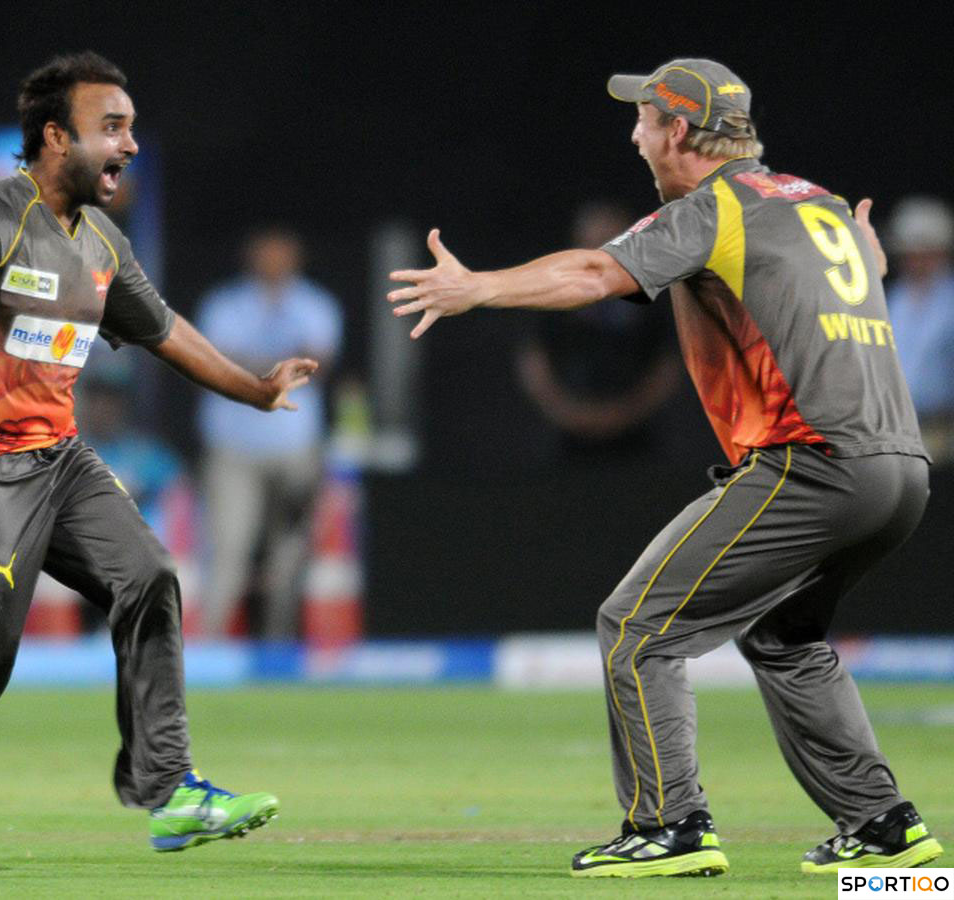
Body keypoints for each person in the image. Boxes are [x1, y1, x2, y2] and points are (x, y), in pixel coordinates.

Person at [388, 58, 942, 878]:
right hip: (903, 471)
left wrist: (478, 288)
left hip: (814, 464)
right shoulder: (814, 201)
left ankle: (670, 825)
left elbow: (594, 271)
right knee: (784, 635)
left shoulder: (712, 206)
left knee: (638, 624)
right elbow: (857, 282)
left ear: (678, 132)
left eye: (643, 118)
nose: (634, 132)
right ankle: (885, 835)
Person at [0, 51, 317, 868]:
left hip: (54, 457)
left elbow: (161, 327)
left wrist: (254, 390)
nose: (129, 145)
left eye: (130, 127)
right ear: (57, 138)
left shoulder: (99, 239)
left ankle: (170, 791)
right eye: (112, 128)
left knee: (150, 577)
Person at [196, 228, 342, 639]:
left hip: (295, 448)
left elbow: (319, 362)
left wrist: (259, 368)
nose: (274, 263)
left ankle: (280, 650)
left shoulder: (315, 304)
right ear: (250, 257)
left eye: (282, 255)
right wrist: (275, 368)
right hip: (234, 448)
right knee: (229, 552)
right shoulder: (225, 304)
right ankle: (206, 648)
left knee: (290, 555)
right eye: (266, 254)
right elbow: (216, 361)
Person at [514, 201, 679, 459]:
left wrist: (624, 415)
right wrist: (569, 413)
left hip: (636, 439)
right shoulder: (554, 299)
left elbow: (666, 367)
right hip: (568, 439)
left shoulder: (651, 300)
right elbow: (535, 364)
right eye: (595, 242)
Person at [884, 196, 954, 463]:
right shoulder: (894, 297)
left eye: (921, 251)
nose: (913, 260)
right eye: (908, 252)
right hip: (896, 429)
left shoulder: (949, 300)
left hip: (942, 428)